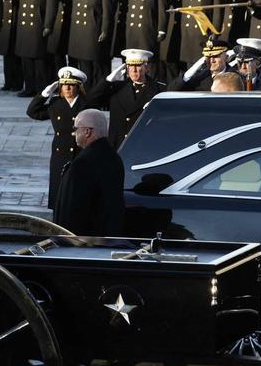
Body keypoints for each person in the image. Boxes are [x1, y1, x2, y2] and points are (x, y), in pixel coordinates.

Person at [51, 109, 124, 237]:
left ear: (87, 132)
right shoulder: (114, 158)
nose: (74, 133)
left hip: (85, 240)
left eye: (76, 129)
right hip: (107, 236)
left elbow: (71, 210)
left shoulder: (83, 163)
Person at [27, 66, 89, 210]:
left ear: (78, 87)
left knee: (78, 196)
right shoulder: (56, 104)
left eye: (71, 84)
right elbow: (32, 112)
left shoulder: (86, 104)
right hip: (60, 155)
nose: (67, 88)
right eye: (64, 84)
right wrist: (44, 94)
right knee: (59, 195)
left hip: (80, 154)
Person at [84, 49, 166, 147]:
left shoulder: (158, 90)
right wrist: (107, 81)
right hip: (119, 146)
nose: (133, 70)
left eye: (138, 65)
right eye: (130, 66)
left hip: (144, 146)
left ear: (147, 68)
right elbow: (91, 101)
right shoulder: (117, 88)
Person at [62, 0, 114, 87]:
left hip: (92, 29)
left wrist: (105, 30)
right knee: (81, 65)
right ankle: (84, 94)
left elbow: (107, 10)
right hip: (78, 30)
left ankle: (94, 95)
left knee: (94, 67)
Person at [11, 0, 51, 97]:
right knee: (25, 58)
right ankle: (29, 88)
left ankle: (41, 89)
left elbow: (51, 6)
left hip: (38, 24)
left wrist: (47, 26)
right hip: (24, 26)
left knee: (39, 60)